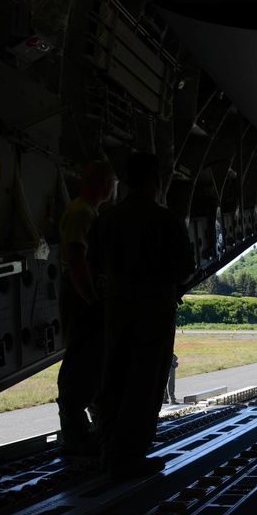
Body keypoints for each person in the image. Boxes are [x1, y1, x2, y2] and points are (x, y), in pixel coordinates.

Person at [90, 152, 196, 481]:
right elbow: (184, 272)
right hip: (153, 313)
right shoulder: (166, 221)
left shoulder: (105, 219)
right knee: (145, 383)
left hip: (115, 310)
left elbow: (92, 263)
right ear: (156, 183)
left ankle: (108, 450)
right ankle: (129, 456)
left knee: (113, 379)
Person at [56, 161, 117, 458]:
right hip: (84, 302)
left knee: (92, 367)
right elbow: (76, 262)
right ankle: (76, 438)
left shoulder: (87, 212)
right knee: (82, 365)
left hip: (86, 301)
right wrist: (93, 301)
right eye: (113, 182)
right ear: (105, 184)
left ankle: (87, 435)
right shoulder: (81, 213)